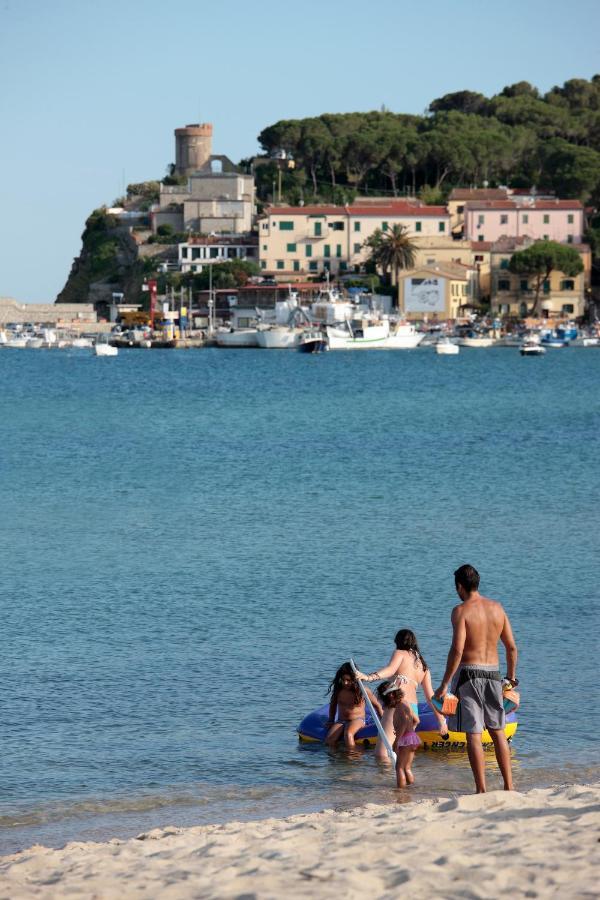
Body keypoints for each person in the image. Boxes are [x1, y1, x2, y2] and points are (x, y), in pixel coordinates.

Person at [433, 564, 518, 793]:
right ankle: (509, 786)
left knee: (473, 733)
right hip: (493, 673)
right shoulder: (497, 608)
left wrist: (443, 684)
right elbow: (511, 648)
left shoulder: (460, 611)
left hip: (468, 675)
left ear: (460, 586)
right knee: (498, 730)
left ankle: (481, 789)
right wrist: (510, 679)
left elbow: (457, 650)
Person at [357, 629, 448, 762]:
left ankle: (385, 782)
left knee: (382, 754)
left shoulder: (399, 653)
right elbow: (431, 697)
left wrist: (368, 677)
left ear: (398, 642)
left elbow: (390, 670)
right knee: (402, 756)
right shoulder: (423, 666)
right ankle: (404, 781)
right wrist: (441, 721)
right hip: (412, 710)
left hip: (397, 705)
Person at [325, 662, 383, 750]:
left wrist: (383, 720)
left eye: (348, 680)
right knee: (329, 739)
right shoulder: (338, 690)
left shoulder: (363, 691)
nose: (345, 683)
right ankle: (335, 759)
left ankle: (352, 758)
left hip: (357, 720)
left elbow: (377, 705)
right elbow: (333, 706)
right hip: (341, 720)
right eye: (343, 679)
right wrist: (330, 720)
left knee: (348, 734)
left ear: (355, 679)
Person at [378, 680, 421, 788]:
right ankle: (411, 787)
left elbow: (404, 723)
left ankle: (400, 792)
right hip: (412, 738)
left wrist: (397, 740)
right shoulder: (406, 703)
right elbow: (416, 721)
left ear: (391, 695)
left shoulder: (400, 706)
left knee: (399, 768)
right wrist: (411, 733)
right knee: (407, 767)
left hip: (405, 739)